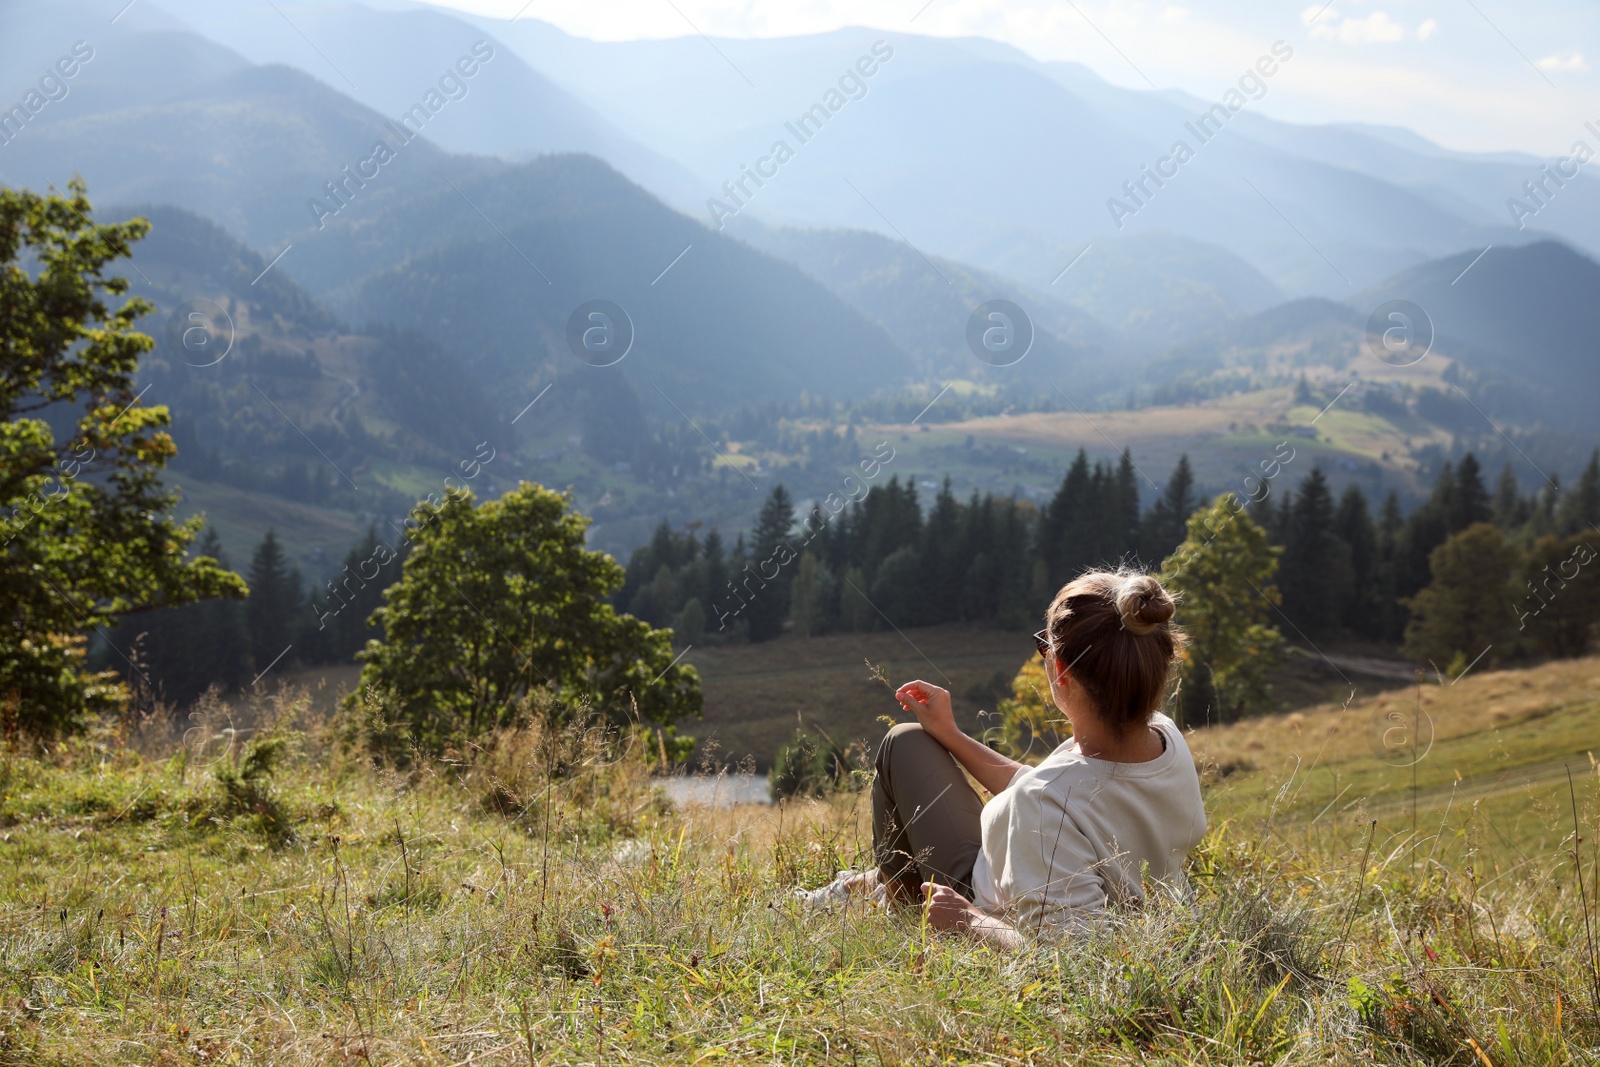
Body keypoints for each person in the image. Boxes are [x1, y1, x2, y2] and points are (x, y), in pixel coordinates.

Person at [797, 569, 1206, 949]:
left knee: (902, 744)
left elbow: (1073, 959)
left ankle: (896, 901)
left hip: (984, 898)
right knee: (918, 741)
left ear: (1060, 670)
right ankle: (869, 886)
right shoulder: (1165, 737)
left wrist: (969, 921)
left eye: (1043, 645)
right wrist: (951, 735)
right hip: (1048, 872)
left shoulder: (1044, 804)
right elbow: (1060, 796)